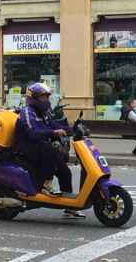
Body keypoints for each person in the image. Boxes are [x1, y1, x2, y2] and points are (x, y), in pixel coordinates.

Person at [14, 82, 85, 219]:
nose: (46, 100)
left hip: (41, 147)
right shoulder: (27, 112)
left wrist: (72, 130)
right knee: (49, 148)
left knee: (65, 171)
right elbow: (32, 133)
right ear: (33, 98)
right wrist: (53, 132)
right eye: (43, 97)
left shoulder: (45, 112)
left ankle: (70, 209)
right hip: (27, 147)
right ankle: (46, 184)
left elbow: (55, 125)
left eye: (47, 97)